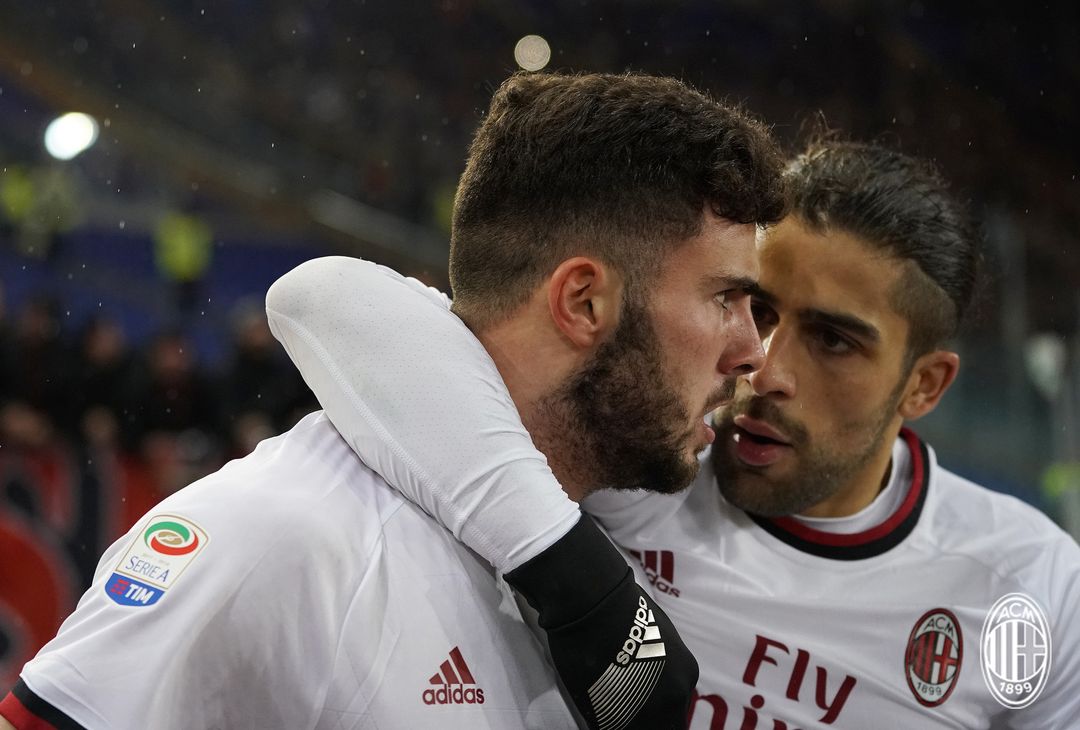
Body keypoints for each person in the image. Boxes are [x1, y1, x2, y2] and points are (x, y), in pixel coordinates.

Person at [0, 71, 788, 729]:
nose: (754, 351)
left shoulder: (593, 549)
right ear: (583, 302)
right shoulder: (280, 536)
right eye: (727, 298)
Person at [257, 139, 1080, 728]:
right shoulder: (636, 458)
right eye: (754, 307)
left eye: (833, 340)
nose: (764, 366)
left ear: (925, 385)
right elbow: (329, 300)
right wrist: (576, 571)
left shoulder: (1031, 589)